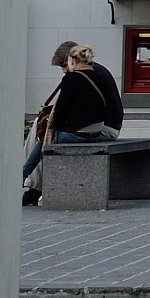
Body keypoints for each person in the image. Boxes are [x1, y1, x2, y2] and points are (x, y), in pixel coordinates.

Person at [22, 40, 125, 204]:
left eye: (64, 65)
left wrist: (53, 122)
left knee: (42, 130)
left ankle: (32, 184)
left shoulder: (77, 77)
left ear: (72, 60)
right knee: (44, 130)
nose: (64, 71)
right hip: (103, 126)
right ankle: (31, 181)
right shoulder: (95, 72)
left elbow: (67, 110)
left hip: (102, 129)